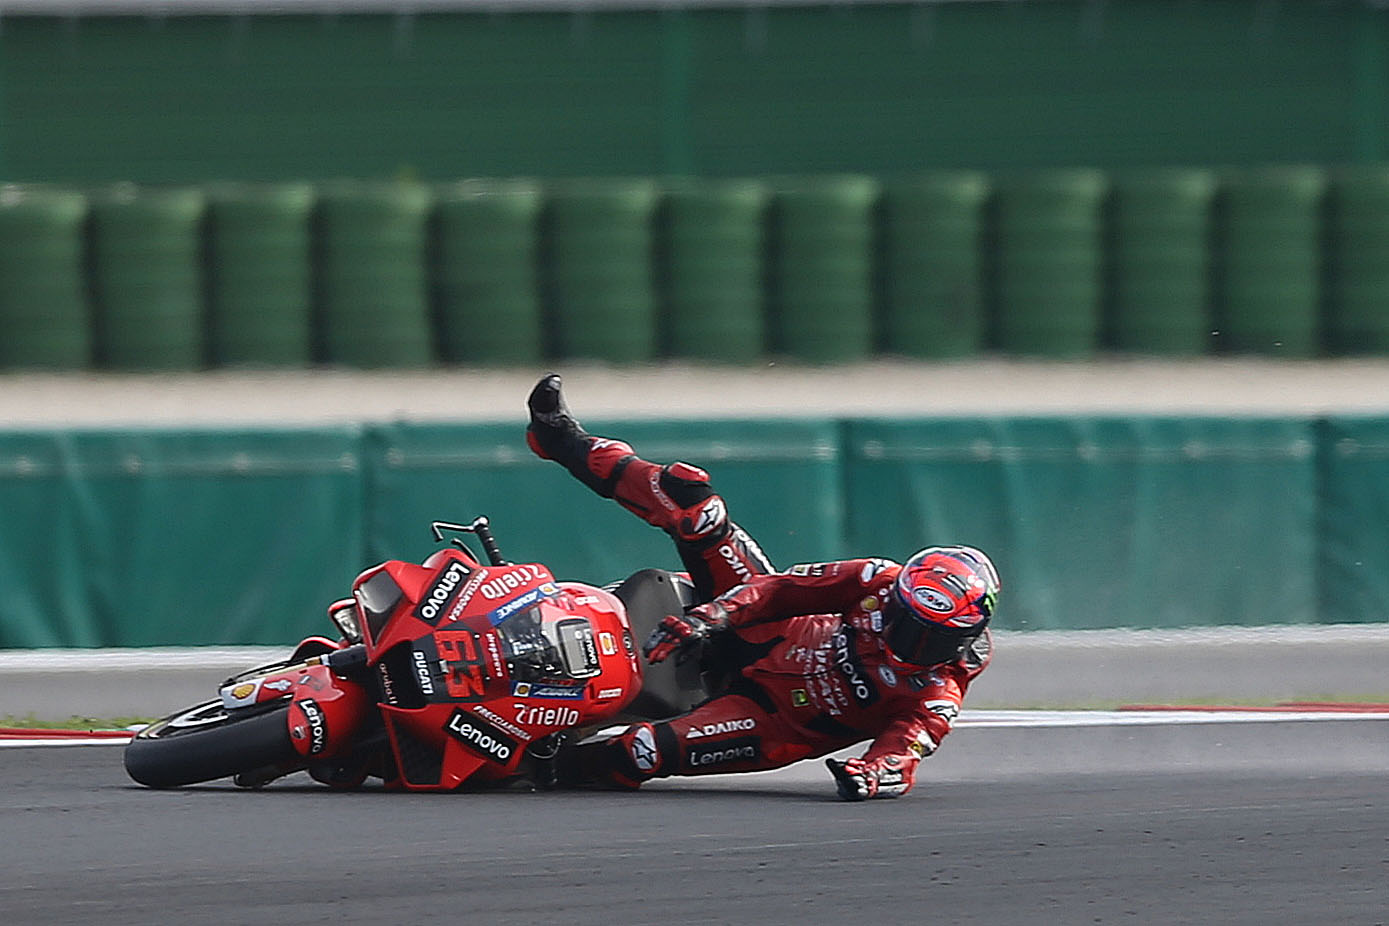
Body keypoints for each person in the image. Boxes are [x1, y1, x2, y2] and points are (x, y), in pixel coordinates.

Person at [526, 374, 998, 801]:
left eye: (925, 635)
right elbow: (782, 590)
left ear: (958, 640)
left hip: (768, 719)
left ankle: (531, 770)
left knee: (643, 752)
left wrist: (870, 775)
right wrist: (714, 616)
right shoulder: (877, 578)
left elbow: (901, 757)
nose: (901, 635)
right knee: (696, 507)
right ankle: (561, 440)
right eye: (901, 616)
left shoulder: (937, 693)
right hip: (770, 632)